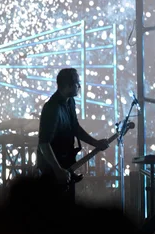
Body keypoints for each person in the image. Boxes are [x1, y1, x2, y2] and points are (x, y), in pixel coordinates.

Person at [37, 68, 109, 203]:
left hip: (64, 165)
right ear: (68, 86)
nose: (79, 86)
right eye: (77, 83)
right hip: (52, 170)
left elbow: (75, 127)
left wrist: (96, 143)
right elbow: (44, 144)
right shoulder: (52, 108)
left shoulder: (70, 102)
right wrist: (58, 170)